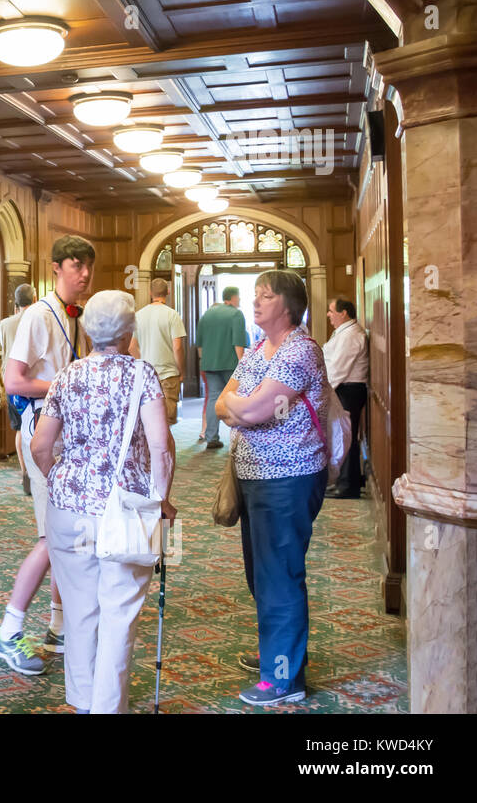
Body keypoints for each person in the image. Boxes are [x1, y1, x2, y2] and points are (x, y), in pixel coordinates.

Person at [30, 290, 177, 713]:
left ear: (89, 330)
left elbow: (41, 445)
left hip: (68, 509)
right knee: (119, 616)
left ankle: (81, 703)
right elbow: (161, 448)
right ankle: (108, 708)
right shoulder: (143, 375)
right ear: (130, 331)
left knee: (78, 615)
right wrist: (161, 501)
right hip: (128, 508)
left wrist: (60, 478)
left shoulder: (67, 375)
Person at [215, 270, 328, 707]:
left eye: (265, 296)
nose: (256, 302)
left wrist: (240, 408)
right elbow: (229, 396)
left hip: (288, 478)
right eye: (255, 295)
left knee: (279, 575)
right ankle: (277, 654)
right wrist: (237, 407)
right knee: (261, 574)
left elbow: (256, 408)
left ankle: (283, 679)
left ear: (287, 305)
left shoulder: (299, 351)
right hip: (257, 477)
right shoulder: (262, 347)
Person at [0, 235, 94, 674]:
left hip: (68, 434)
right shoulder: (37, 315)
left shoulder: (77, 317)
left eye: (89, 265)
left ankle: (58, 626)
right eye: (75, 265)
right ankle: (7, 632)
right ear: (55, 268)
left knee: (63, 535)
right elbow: (14, 382)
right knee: (53, 537)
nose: (84, 273)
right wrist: (65, 387)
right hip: (43, 437)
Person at [322, 296, 369, 499]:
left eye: (331, 311)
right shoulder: (344, 332)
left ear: (344, 313)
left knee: (346, 436)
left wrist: (323, 390)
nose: (328, 315)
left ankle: (348, 486)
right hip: (344, 389)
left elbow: (338, 369)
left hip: (348, 390)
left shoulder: (350, 335)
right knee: (342, 435)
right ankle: (344, 480)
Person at [196, 286, 249, 451]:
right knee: (238, 399)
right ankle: (242, 439)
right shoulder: (236, 314)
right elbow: (238, 342)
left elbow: (199, 343)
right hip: (230, 364)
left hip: (209, 363)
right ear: (233, 298)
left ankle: (212, 437)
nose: (239, 300)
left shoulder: (208, 314)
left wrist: (203, 360)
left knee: (213, 398)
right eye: (239, 297)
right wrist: (242, 366)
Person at [0, 284, 38, 495]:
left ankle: (25, 473)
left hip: (11, 382)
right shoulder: (38, 321)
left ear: (16, 302)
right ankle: (38, 472)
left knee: (20, 428)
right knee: (38, 427)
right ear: (34, 298)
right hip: (33, 382)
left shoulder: (4, 324)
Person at [129, 278, 185, 424]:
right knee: (167, 421)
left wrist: (143, 363)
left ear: (150, 293)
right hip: (168, 374)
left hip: (147, 375)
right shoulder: (172, 315)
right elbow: (177, 347)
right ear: (168, 292)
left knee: (150, 421)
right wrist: (181, 370)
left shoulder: (138, 315)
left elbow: (131, 347)